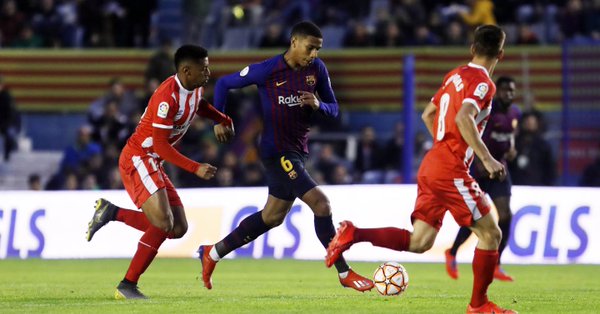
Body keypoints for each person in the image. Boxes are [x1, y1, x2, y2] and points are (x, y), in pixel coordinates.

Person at [326, 25, 517, 313]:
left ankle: (354, 233)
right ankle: (479, 305)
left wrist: (444, 143)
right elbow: (465, 117)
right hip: (450, 168)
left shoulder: (454, 76)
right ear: (501, 54)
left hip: (433, 163)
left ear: (471, 48)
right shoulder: (483, 83)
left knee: (420, 242)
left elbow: (429, 114)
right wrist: (486, 157)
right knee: (492, 234)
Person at [197, 21, 374, 292]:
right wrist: (219, 119)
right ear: (294, 42)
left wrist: (318, 104)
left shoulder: (317, 69)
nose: (314, 54)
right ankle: (343, 272)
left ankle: (213, 252)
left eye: (318, 49)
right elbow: (223, 84)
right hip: (276, 151)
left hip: (297, 152)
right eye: (310, 47)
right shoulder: (268, 70)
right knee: (321, 204)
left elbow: (334, 109)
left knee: (272, 216)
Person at [85, 45, 234, 299]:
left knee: (178, 228)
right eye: (204, 67)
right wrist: (194, 167)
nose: (209, 72)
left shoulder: (194, 88)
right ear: (186, 70)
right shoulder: (168, 96)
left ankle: (112, 212)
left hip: (153, 161)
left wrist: (222, 118)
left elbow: (200, 105)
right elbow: (161, 145)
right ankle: (127, 285)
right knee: (164, 223)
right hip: (139, 158)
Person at [445, 76, 520, 282]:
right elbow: (474, 135)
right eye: (505, 90)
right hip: (479, 171)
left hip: (500, 170)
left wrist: (511, 150)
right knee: (475, 218)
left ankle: (497, 263)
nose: (509, 94)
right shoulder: (487, 111)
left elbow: (510, 135)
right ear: (498, 92)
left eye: (512, 90)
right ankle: (452, 252)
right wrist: (480, 162)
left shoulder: (515, 113)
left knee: (505, 215)